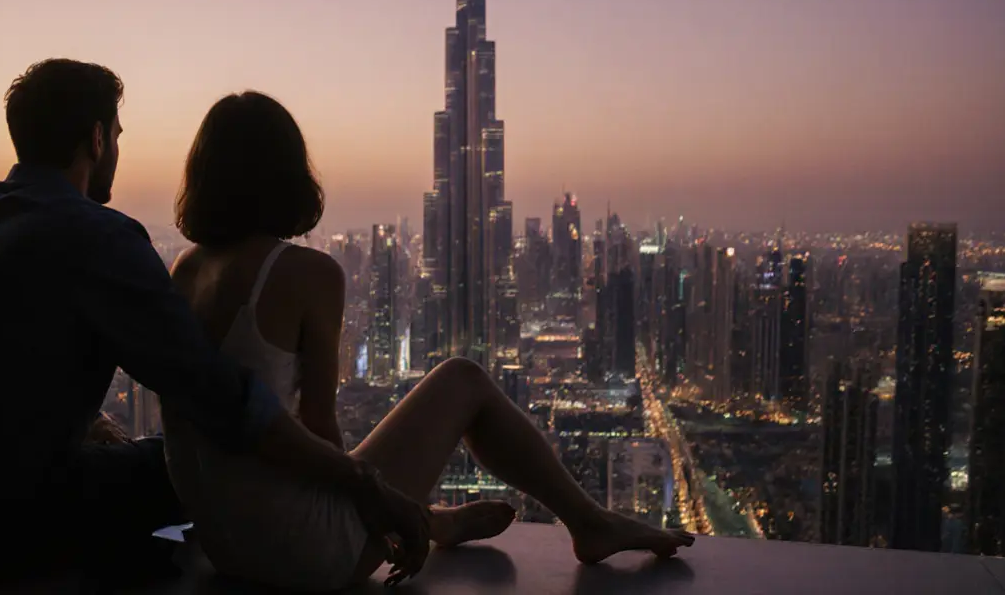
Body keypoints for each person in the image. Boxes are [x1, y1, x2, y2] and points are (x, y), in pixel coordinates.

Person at [0, 60, 430, 586]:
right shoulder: (98, 236)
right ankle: (420, 523)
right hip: (8, 522)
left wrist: (84, 421)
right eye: (118, 138)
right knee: (182, 464)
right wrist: (364, 483)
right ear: (98, 138)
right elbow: (220, 398)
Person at [163, 92, 695, 591]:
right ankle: (589, 521)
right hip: (302, 553)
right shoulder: (306, 273)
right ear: (287, 174)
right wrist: (378, 509)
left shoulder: (182, 272)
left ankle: (433, 518)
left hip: (224, 544)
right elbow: (319, 428)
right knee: (463, 378)